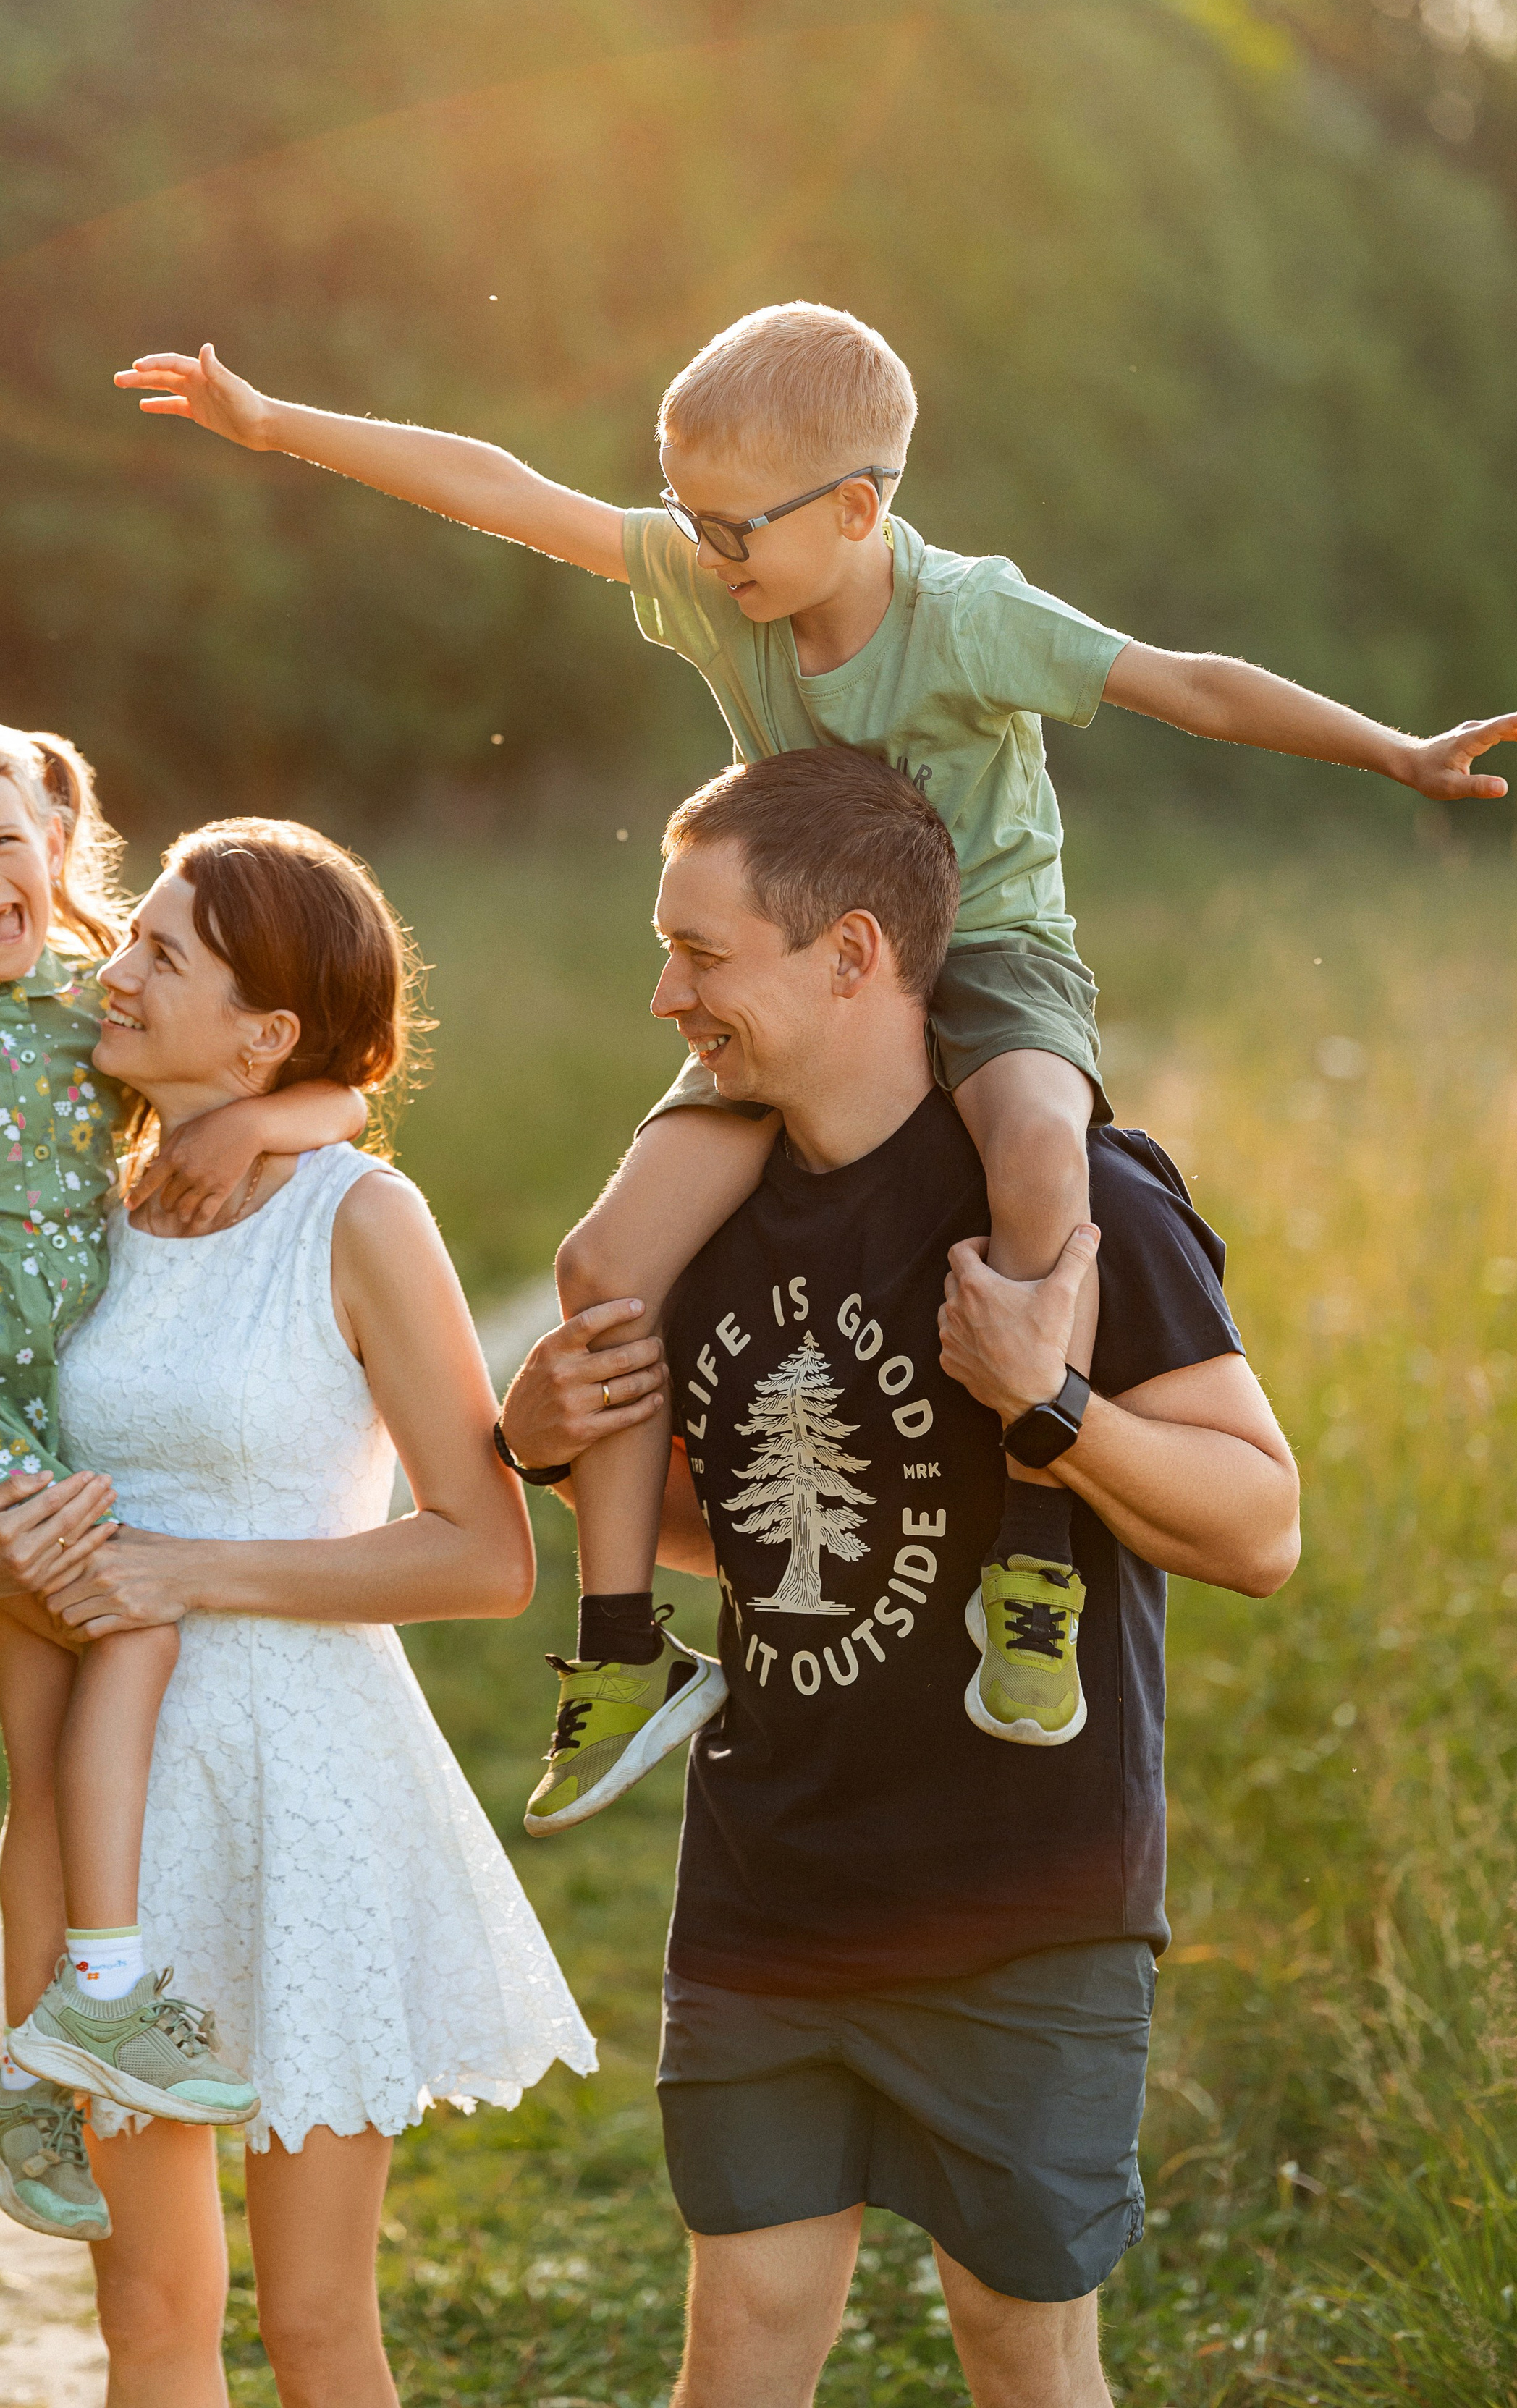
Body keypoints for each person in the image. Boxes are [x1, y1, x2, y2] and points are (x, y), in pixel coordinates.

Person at [114, 308, 1501, 1831]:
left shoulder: (970, 617)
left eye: (731, 529)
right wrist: (273, 424)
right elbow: (498, 487)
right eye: (686, 519)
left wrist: (1391, 750)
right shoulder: (722, 588)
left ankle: (1028, 1570)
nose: (702, 558)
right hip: (792, 968)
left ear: (857, 509)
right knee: (603, 1260)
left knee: (1040, 1155)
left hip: (985, 951)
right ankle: (626, 1645)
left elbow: (1188, 683)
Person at [496, 747, 1300, 2408]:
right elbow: (752, 1534)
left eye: (703, 955)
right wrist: (543, 1442)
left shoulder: (1080, 1215)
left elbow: (1257, 1526)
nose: (664, 996)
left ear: (851, 954)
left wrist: (1051, 1404)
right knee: (737, 2357)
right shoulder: (700, 1226)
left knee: (1020, 2360)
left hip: (1020, 1907)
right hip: (763, 1892)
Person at [0, 815, 596, 2408]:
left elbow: (482, 1556)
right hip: (117, 1810)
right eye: (131, 932)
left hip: (309, 1795)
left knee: (313, 2324)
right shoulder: (67, 1206)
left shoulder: (357, 1218)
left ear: (268, 1032)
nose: (116, 964)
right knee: (151, 2324)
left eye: (162, 951)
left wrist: (186, 1569)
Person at [0, 717, 369, 2238]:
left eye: (2, 842)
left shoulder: (87, 1007)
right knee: (139, 1625)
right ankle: (97, 1996)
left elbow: (312, 1089)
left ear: (55, 835)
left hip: (62, 1425)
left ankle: (32, 2086)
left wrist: (289, 1114)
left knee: (43, 1771)